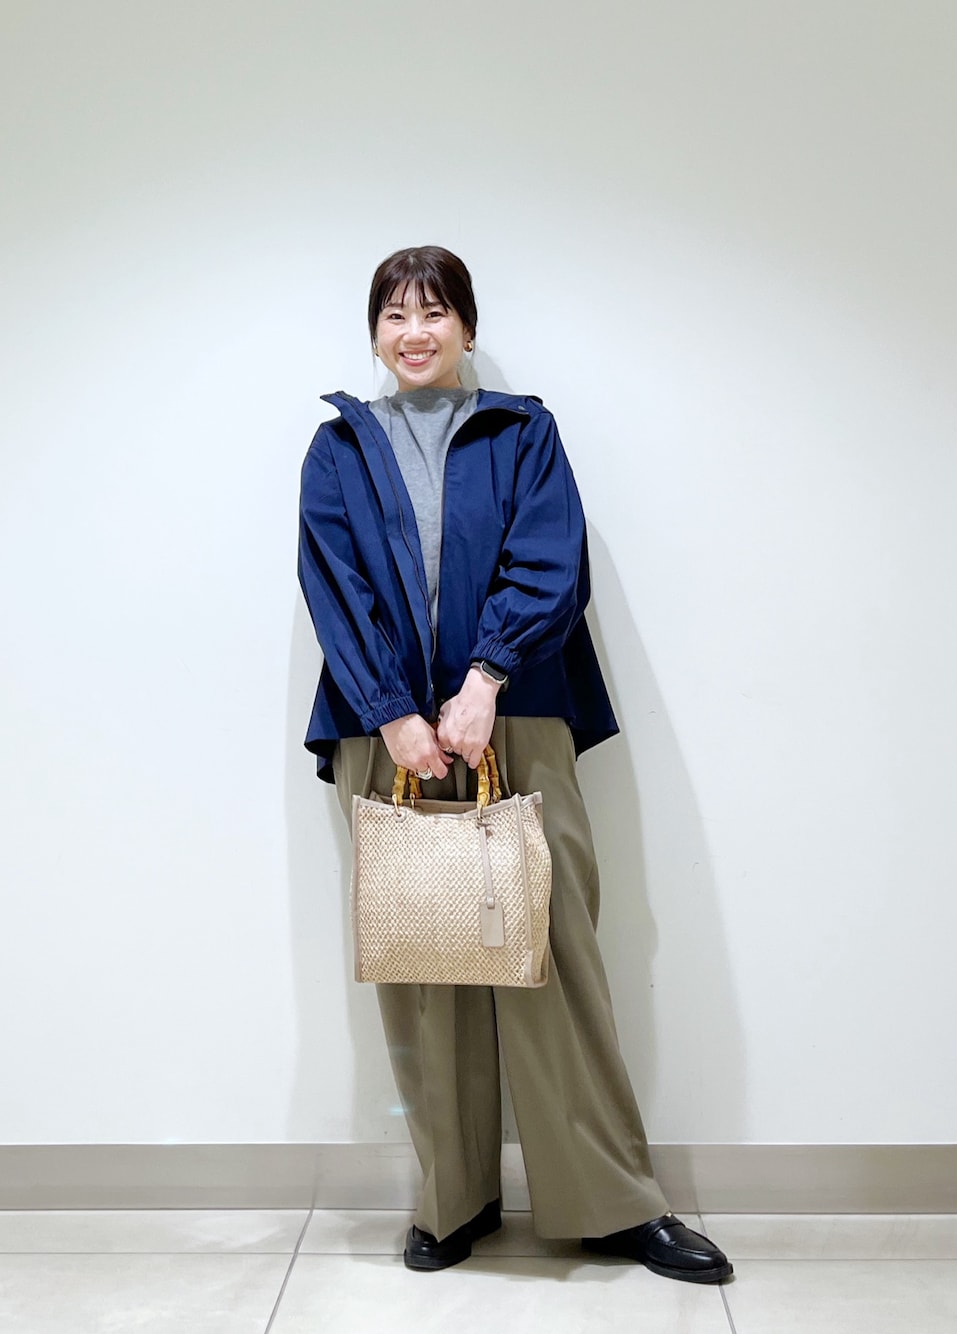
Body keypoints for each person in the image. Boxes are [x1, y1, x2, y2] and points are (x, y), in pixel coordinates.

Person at [297, 245, 733, 1283]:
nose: (415, 332)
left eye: (434, 311)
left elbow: (550, 558)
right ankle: (453, 1199)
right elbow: (333, 583)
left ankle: (610, 1201)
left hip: (519, 712)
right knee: (423, 962)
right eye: (395, 314)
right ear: (373, 332)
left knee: (550, 952)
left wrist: (485, 679)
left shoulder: (523, 431)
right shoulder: (337, 447)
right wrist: (394, 713)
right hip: (384, 729)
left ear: (467, 327)